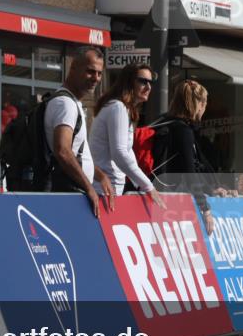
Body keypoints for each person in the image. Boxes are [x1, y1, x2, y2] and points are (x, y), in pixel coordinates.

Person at [44, 45, 114, 217]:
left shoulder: (72, 102)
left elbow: (75, 152)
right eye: (90, 71)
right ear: (73, 68)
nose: (96, 78)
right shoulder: (65, 104)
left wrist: (100, 175)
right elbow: (63, 150)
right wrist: (89, 187)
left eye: (99, 73)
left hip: (74, 192)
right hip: (69, 194)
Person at [90, 63, 164, 206]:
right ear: (129, 81)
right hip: (102, 189)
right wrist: (148, 186)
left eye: (151, 82)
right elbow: (119, 153)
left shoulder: (123, 108)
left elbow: (127, 152)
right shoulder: (118, 107)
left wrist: (141, 184)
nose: (148, 87)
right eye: (143, 81)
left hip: (110, 187)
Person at [153, 80, 217, 233]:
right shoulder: (183, 131)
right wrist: (205, 208)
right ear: (199, 104)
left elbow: (200, 164)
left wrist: (212, 188)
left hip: (156, 195)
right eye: (205, 103)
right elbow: (189, 173)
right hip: (171, 203)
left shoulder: (164, 122)